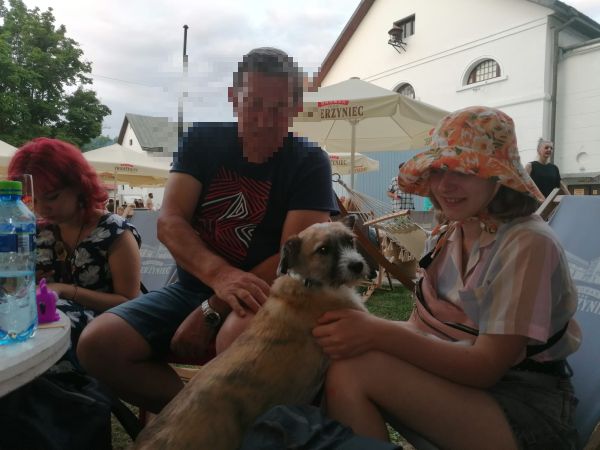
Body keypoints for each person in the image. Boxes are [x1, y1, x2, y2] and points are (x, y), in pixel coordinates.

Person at [77, 47, 339, 413]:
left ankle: (230, 427)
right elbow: (170, 223)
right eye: (254, 104)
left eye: (279, 108)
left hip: (270, 295)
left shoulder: (309, 161)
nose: (265, 120)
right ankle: (192, 419)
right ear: (233, 98)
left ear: (296, 107)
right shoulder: (203, 140)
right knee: (97, 344)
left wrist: (214, 306)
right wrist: (220, 278)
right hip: (192, 288)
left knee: (234, 337)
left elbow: (296, 255)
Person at [313, 107, 581, 450]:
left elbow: (485, 368)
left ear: (499, 177)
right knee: (339, 360)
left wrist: (375, 332)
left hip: (526, 407)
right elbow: (422, 330)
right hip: (466, 387)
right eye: (437, 170)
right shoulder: (448, 235)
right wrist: (353, 329)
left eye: (465, 170)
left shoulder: (527, 243)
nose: (444, 185)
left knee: (352, 372)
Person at [8, 138, 142, 354]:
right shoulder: (36, 231)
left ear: (79, 185)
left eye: (52, 197)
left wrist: (65, 291)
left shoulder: (114, 232)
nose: (42, 208)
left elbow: (129, 302)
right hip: (45, 328)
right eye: (33, 200)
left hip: (102, 333)